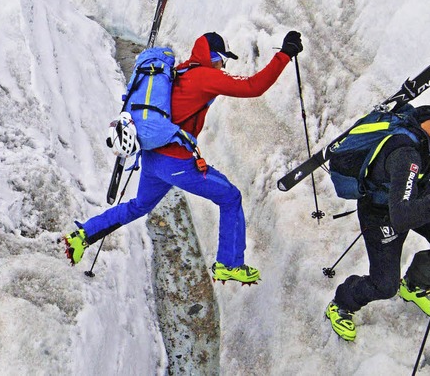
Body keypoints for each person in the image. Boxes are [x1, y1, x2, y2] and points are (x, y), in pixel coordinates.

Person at [63, 29, 303, 284]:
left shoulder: (180, 71)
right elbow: (253, 86)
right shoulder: (205, 76)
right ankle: (229, 264)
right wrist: (285, 54)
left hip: (153, 159)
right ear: (214, 57)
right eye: (223, 60)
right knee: (231, 197)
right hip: (176, 164)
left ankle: (82, 236)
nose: (224, 66)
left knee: (138, 206)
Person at [325, 98, 430, 341]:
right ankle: (342, 303)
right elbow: (402, 217)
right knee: (384, 286)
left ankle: (416, 284)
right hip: (384, 213)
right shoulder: (406, 155)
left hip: (421, 197)